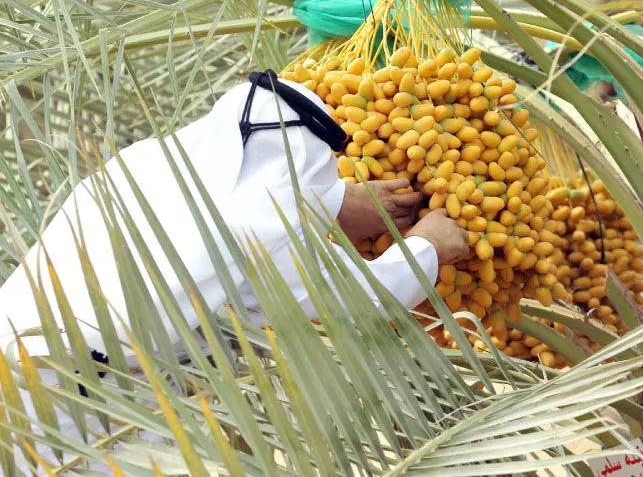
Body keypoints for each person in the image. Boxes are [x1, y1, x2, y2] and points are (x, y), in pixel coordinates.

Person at [0, 69, 469, 474]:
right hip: (77, 401)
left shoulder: (144, 161)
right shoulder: (265, 231)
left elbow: (238, 191)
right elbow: (371, 299)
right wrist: (429, 245)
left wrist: (330, 203)